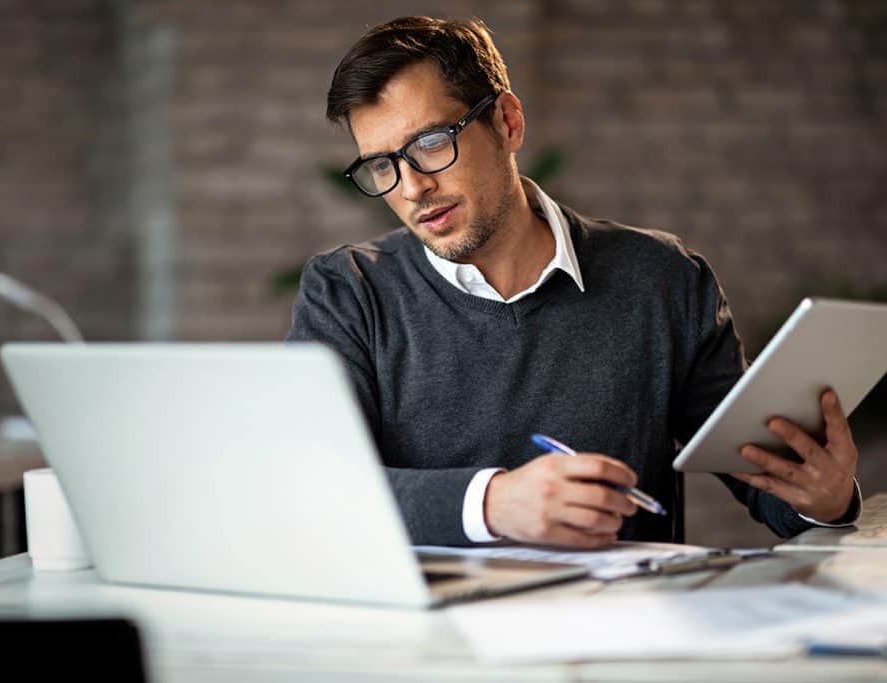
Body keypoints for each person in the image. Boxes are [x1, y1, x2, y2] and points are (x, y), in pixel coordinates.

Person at [287, 16, 860, 548]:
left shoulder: (663, 279)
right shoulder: (347, 291)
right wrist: (491, 503)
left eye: (431, 143)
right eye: (382, 165)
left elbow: (766, 481)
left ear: (508, 122)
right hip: (439, 644)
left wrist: (824, 500)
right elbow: (311, 486)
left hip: (622, 630)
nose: (411, 188)